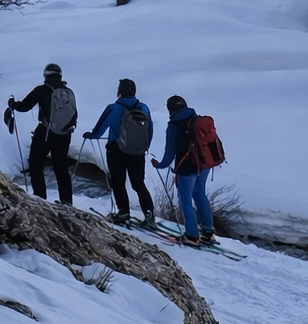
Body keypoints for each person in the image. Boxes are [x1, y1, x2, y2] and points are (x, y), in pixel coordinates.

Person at [85, 79, 155, 225]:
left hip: (116, 151)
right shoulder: (144, 108)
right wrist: (143, 148)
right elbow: (150, 130)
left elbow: (99, 131)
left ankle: (123, 212)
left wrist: (90, 135)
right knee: (138, 184)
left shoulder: (113, 108)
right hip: (138, 153)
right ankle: (149, 214)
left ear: (119, 91)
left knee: (118, 182)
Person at [6, 63, 77, 205]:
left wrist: (12, 103)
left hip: (45, 132)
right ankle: (67, 202)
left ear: (46, 75)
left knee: (35, 163)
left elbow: (24, 106)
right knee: (61, 168)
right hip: (65, 134)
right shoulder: (68, 92)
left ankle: (40, 198)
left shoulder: (42, 90)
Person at [153, 95, 215, 247]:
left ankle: (192, 236)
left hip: (187, 168)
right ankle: (208, 232)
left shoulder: (174, 126)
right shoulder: (196, 119)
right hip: (205, 164)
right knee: (200, 194)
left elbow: (169, 154)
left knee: (186, 201)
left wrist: (159, 165)